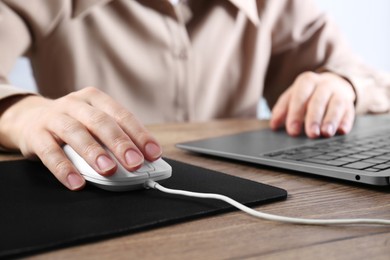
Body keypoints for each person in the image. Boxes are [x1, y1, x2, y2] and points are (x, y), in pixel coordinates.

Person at [0, 0, 389, 190]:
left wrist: (342, 86)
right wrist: (22, 113)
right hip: (88, 203)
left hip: (240, 202)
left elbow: (364, 75)